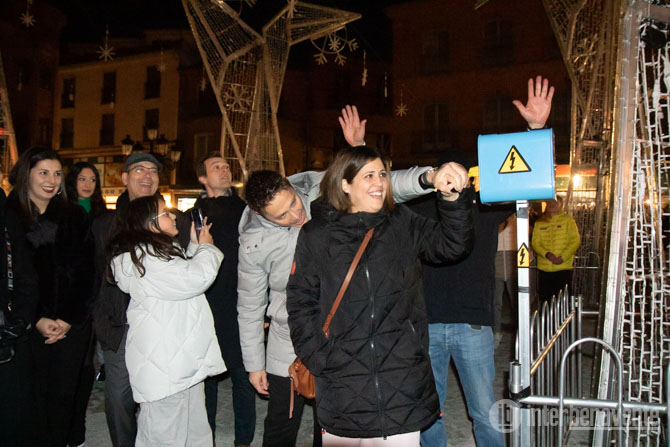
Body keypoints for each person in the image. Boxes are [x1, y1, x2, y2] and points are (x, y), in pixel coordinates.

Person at [237, 105, 447, 447]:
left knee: (330, 424)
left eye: (293, 202)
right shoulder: (252, 244)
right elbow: (249, 305)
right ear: (262, 215)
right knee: (281, 422)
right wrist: (254, 364)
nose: (296, 215)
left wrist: (427, 176)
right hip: (288, 338)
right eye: (282, 215)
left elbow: (381, 185)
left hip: (342, 332)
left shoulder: (322, 192)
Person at [286, 146, 473, 446]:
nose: (379, 183)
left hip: (401, 380)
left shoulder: (401, 222)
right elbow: (300, 302)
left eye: (383, 174)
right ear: (345, 184)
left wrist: (451, 199)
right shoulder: (316, 234)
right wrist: (321, 359)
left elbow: (452, 245)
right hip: (342, 384)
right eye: (368, 175)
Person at [412, 75, 554, 447]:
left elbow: (525, 179)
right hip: (427, 324)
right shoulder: (420, 209)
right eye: (444, 175)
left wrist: (535, 130)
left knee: (484, 411)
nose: (451, 181)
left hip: (472, 324)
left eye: (458, 174)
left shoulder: (483, 207)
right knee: (427, 411)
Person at [108, 195, 225, 446]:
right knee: (165, 436)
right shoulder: (147, 259)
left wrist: (195, 246)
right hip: (167, 367)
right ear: (150, 225)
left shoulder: (154, 254)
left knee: (193, 432)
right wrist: (207, 248)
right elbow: (194, 280)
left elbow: (180, 277)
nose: (173, 216)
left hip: (179, 362)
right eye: (165, 213)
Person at [92, 151, 189, 447]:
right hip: (119, 324)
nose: (147, 175)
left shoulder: (176, 221)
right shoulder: (105, 224)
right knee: (119, 395)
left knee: (160, 395)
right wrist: (102, 321)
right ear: (124, 178)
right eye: (139, 170)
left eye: (153, 171)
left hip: (162, 324)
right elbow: (95, 277)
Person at [5, 146, 95, 446]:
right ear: (26, 174)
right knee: (27, 402)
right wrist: (36, 319)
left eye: (57, 174)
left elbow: (88, 273)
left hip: (71, 327)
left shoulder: (75, 216)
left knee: (62, 400)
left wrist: (67, 319)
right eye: (43, 172)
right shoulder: (8, 217)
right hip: (23, 327)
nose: (51, 180)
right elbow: (11, 279)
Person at [192, 151, 255, 447]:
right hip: (207, 304)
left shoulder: (246, 210)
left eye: (226, 166)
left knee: (243, 374)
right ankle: (207, 440)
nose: (224, 170)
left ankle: (243, 440)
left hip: (240, 302)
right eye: (216, 167)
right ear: (202, 178)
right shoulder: (195, 213)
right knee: (207, 379)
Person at [65, 161, 109, 447]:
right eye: (82, 179)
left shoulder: (102, 215)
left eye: (93, 180)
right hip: (71, 297)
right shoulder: (63, 212)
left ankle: (77, 428)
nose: (88, 185)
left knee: (87, 364)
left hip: (97, 297)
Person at [0, 184, 42, 447]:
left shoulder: (8, 219)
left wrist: (21, 318)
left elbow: (25, 275)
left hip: (7, 332)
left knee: (13, 415)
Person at [531, 195, 580, 304]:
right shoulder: (539, 222)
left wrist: (562, 257)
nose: (552, 204)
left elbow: (575, 241)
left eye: (555, 202)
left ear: (561, 205)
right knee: (545, 300)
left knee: (563, 301)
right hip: (544, 270)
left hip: (563, 268)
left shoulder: (568, 221)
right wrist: (547, 254)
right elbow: (535, 243)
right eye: (549, 202)